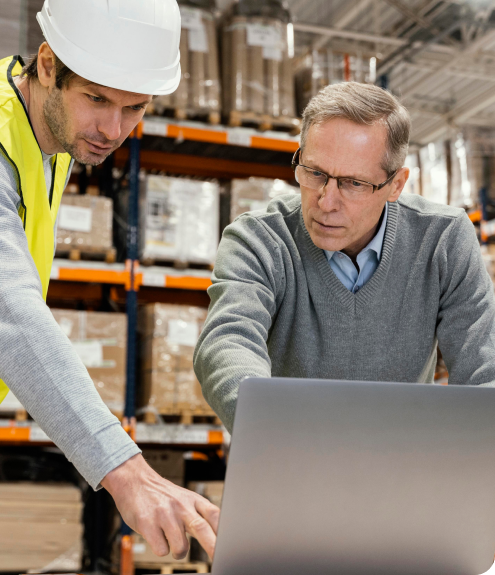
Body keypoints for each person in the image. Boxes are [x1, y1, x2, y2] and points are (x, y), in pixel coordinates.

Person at [0, 0, 218, 573]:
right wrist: (128, 472)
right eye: (99, 99)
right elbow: (9, 313)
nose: (114, 128)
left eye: (135, 108)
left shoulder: (49, 141)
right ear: (47, 65)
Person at [194, 81, 495, 430]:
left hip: (404, 472)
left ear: (396, 185)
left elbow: (485, 371)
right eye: (315, 173)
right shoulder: (259, 239)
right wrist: (269, 425)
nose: (326, 201)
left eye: (353, 183)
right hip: (286, 455)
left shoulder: (442, 239)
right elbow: (228, 341)